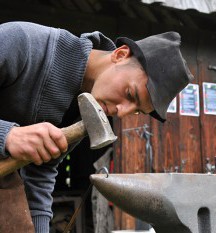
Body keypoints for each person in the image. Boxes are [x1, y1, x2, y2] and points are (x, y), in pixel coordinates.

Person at [0, 21, 193, 232]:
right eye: (130, 94)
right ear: (120, 55)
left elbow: (40, 174)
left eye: (137, 110)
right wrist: (6, 135)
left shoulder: (86, 106)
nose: (122, 112)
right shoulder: (21, 42)